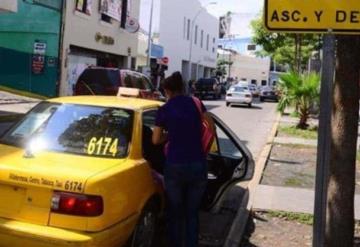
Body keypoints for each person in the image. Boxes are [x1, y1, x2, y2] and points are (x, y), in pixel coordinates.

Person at [152, 71, 215, 247]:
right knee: (192, 213)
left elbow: (155, 140)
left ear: (167, 91)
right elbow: (211, 126)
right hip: (198, 164)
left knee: (175, 212)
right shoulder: (196, 103)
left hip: (175, 166)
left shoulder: (164, 110)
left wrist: (170, 135)